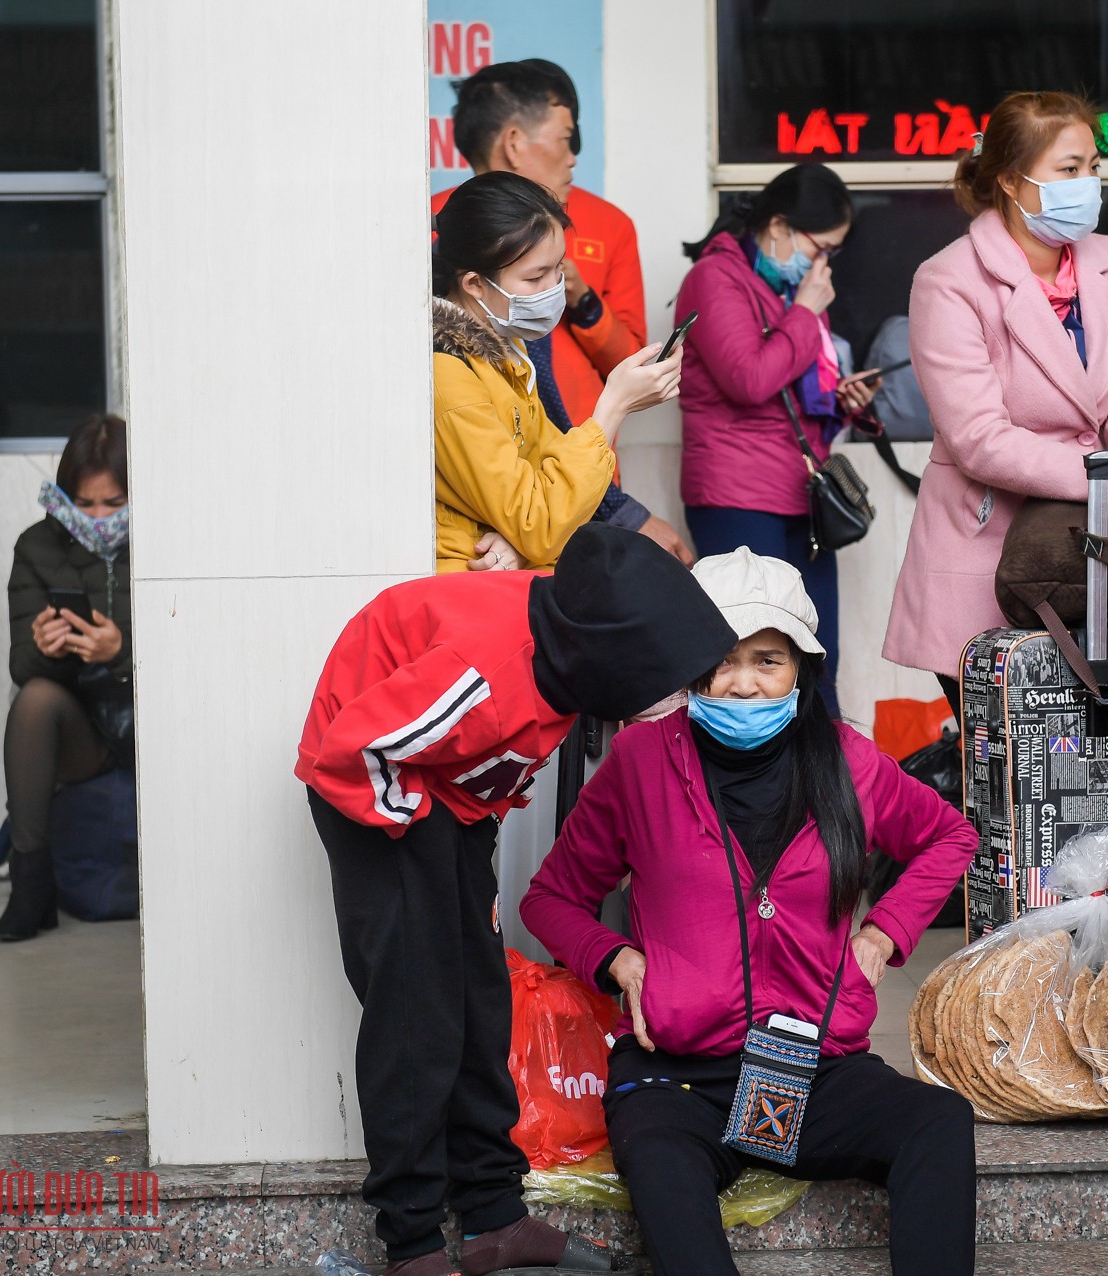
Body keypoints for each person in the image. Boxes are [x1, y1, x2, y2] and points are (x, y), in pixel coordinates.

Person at [521, 547, 978, 1276]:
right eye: (720, 659)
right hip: (677, 1081)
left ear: (802, 667)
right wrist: (617, 958)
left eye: (768, 660)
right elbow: (550, 897)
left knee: (939, 1121)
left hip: (814, 1069)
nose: (741, 684)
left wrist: (884, 934)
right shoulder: (640, 761)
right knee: (669, 1185)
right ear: (690, 665)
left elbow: (950, 836)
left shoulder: (849, 762)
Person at [296, 523, 736, 1276]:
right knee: (416, 1013)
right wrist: (413, 838)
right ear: (610, 662)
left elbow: (493, 746)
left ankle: (492, 1215)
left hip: (446, 789)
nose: (675, 703)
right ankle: (411, 1245)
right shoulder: (485, 675)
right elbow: (347, 753)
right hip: (385, 792)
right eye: (664, 686)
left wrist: (472, 819)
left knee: (478, 997)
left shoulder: (572, 640)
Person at [883, 91, 1108, 712]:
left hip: (1093, 549)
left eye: (1093, 167)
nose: (1088, 183)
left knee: (1098, 768)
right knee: (1007, 776)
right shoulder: (948, 280)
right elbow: (978, 440)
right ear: (1012, 180)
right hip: (986, 549)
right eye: (1069, 170)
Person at [438, 60, 690, 564]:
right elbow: (530, 512)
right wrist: (612, 408)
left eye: (556, 271)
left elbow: (532, 488)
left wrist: (585, 302)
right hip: (529, 521)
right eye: (534, 277)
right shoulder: (451, 367)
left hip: (575, 483)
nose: (574, 157)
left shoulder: (508, 356)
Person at [675, 164, 879, 716]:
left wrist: (842, 402)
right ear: (779, 225)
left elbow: (794, 400)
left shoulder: (789, 291)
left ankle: (825, 796)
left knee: (814, 659)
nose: (823, 264)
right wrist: (805, 314)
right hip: (736, 496)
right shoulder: (715, 279)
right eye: (821, 248)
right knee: (751, 664)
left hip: (798, 496)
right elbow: (749, 380)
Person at [0, 413, 134, 942]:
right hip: (90, 729)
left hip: (155, 720)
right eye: (85, 503)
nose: (98, 517)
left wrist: (122, 650)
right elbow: (20, 668)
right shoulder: (38, 546)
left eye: (114, 503)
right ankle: (30, 885)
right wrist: (46, 649)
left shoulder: (172, 539)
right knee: (34, 698)